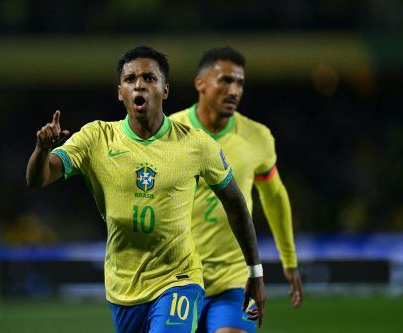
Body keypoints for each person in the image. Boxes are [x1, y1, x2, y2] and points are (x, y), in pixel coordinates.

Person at [26, 46, 265, 333]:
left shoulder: (197, 145)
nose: (139, 84)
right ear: (120, 92)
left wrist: (255, 271)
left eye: (149, 78)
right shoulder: (96, 138)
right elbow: (39, 178)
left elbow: (236, 204)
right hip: (123, 287)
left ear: (165, 90)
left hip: (179, 279)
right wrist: (42, 150)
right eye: (130, 79)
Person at [170, 47, 302, 333]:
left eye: (240, 83)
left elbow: (275, 197)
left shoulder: (258, 137)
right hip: (175, 281)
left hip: (235, 280)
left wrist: (289, 259)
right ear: (200, 84)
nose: (234, 90)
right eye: (226, 81)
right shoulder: (169, 132)